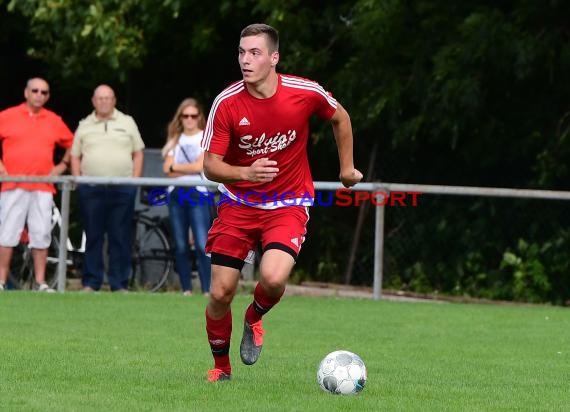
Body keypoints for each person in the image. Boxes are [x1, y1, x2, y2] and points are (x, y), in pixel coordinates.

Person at [201, 23, 363, 381]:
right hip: (239, 205)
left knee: (273, 279)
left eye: (254, 53)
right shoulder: (226, 103)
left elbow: (340, 117)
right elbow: (210, 166)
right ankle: (221, 368)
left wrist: (347, 169)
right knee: (220, 291)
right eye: (241, 53)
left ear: (274, 58)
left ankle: (254, 317)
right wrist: (245, 174)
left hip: (289, 203)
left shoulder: (303, 93)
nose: (245, 60)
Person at [0, 77, 74, 292]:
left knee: (41, 234)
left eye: (44, 92)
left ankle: (41, 283)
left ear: (48, 96)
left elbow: (73, 143)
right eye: (35, 91)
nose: (39, 95)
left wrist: (62, 166)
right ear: (26, 93)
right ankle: (2, 281)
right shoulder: (7, 116)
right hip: (13, 185)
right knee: (7, 234)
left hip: (42, 187)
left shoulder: (54, 120)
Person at [70, 84, 145, 292]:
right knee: (92, 236)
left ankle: (119, 284)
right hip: (91, 189)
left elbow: (138, 152)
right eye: (100, 98)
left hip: (122, 189)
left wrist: (134, 182)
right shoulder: (84, 125)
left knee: (120, 237)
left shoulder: (127, 122)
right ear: (94, 101)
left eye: (107, 98)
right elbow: (75, 155)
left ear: (114, 100)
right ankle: (91, 283)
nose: (104, 102)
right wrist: (79, 181)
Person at [162, 98, 212, 296]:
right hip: (176, 193)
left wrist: (177, 167)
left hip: (198, 193)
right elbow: (167, 169)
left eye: (193, 115)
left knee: (202, 244)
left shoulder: (205, 137)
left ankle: (207, 288)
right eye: (185, 116)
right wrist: (182, 169)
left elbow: (200, 166)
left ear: (199, 117)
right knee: (180, 245)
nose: (189, 119)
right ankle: (186, 289)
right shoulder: (175, 139)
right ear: (180, 118)